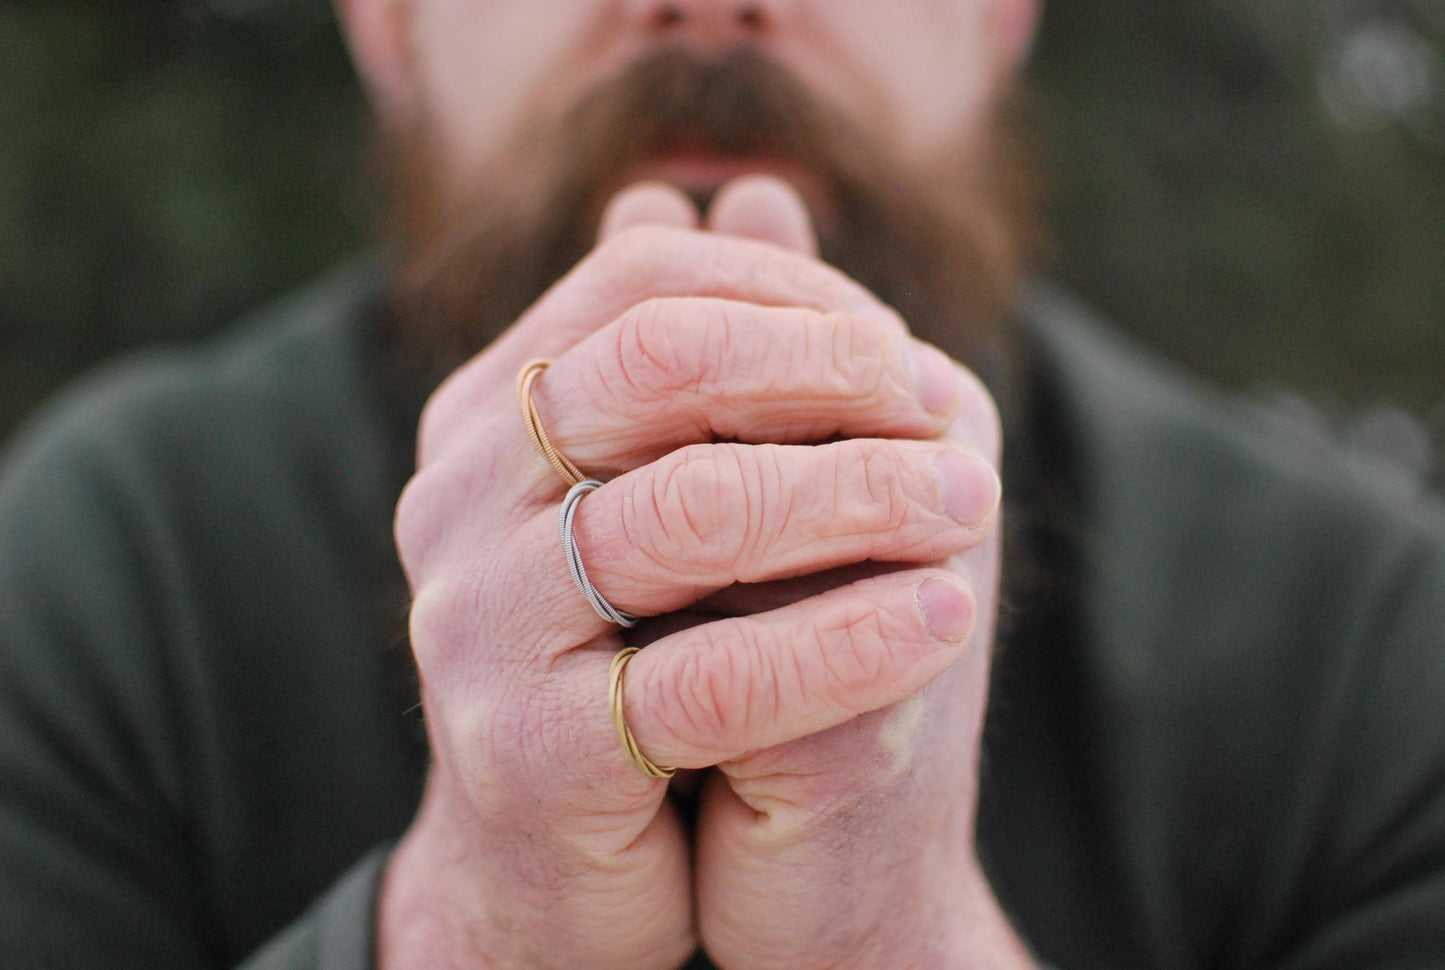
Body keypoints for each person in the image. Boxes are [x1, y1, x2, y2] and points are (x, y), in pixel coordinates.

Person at [1, 1, 1442, 968]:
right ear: (384, 22)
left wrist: (907, 938)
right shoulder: (108, 567)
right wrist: (466, 922)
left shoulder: (1364, 645)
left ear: (1001, 17)